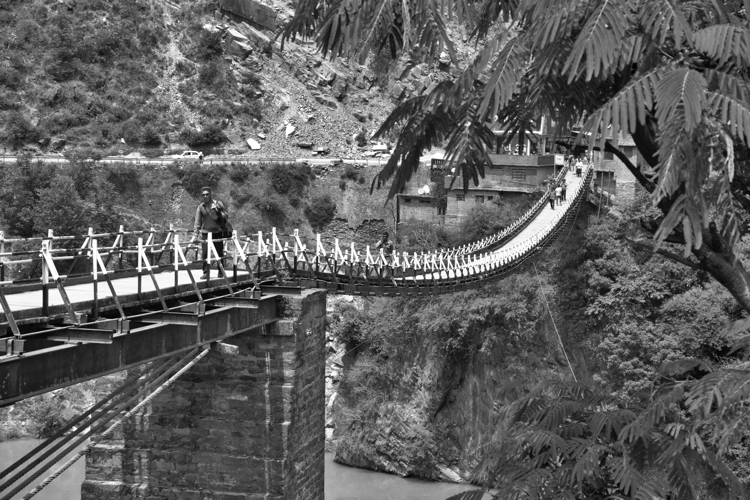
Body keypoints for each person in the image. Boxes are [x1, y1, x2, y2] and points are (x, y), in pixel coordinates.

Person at [192, 186, 228, 279]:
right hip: (206, 233)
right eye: (203, 195)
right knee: (205, 254)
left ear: (211, 195)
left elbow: (225, 216)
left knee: (219, 253)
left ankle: (221, 271)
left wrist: (218, 211)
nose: (205, 196)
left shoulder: (218, 204)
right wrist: (195, 235)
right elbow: (197, 222)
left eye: (207, 194)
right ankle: (206, 272)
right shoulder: (201, 207)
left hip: (217, 232)